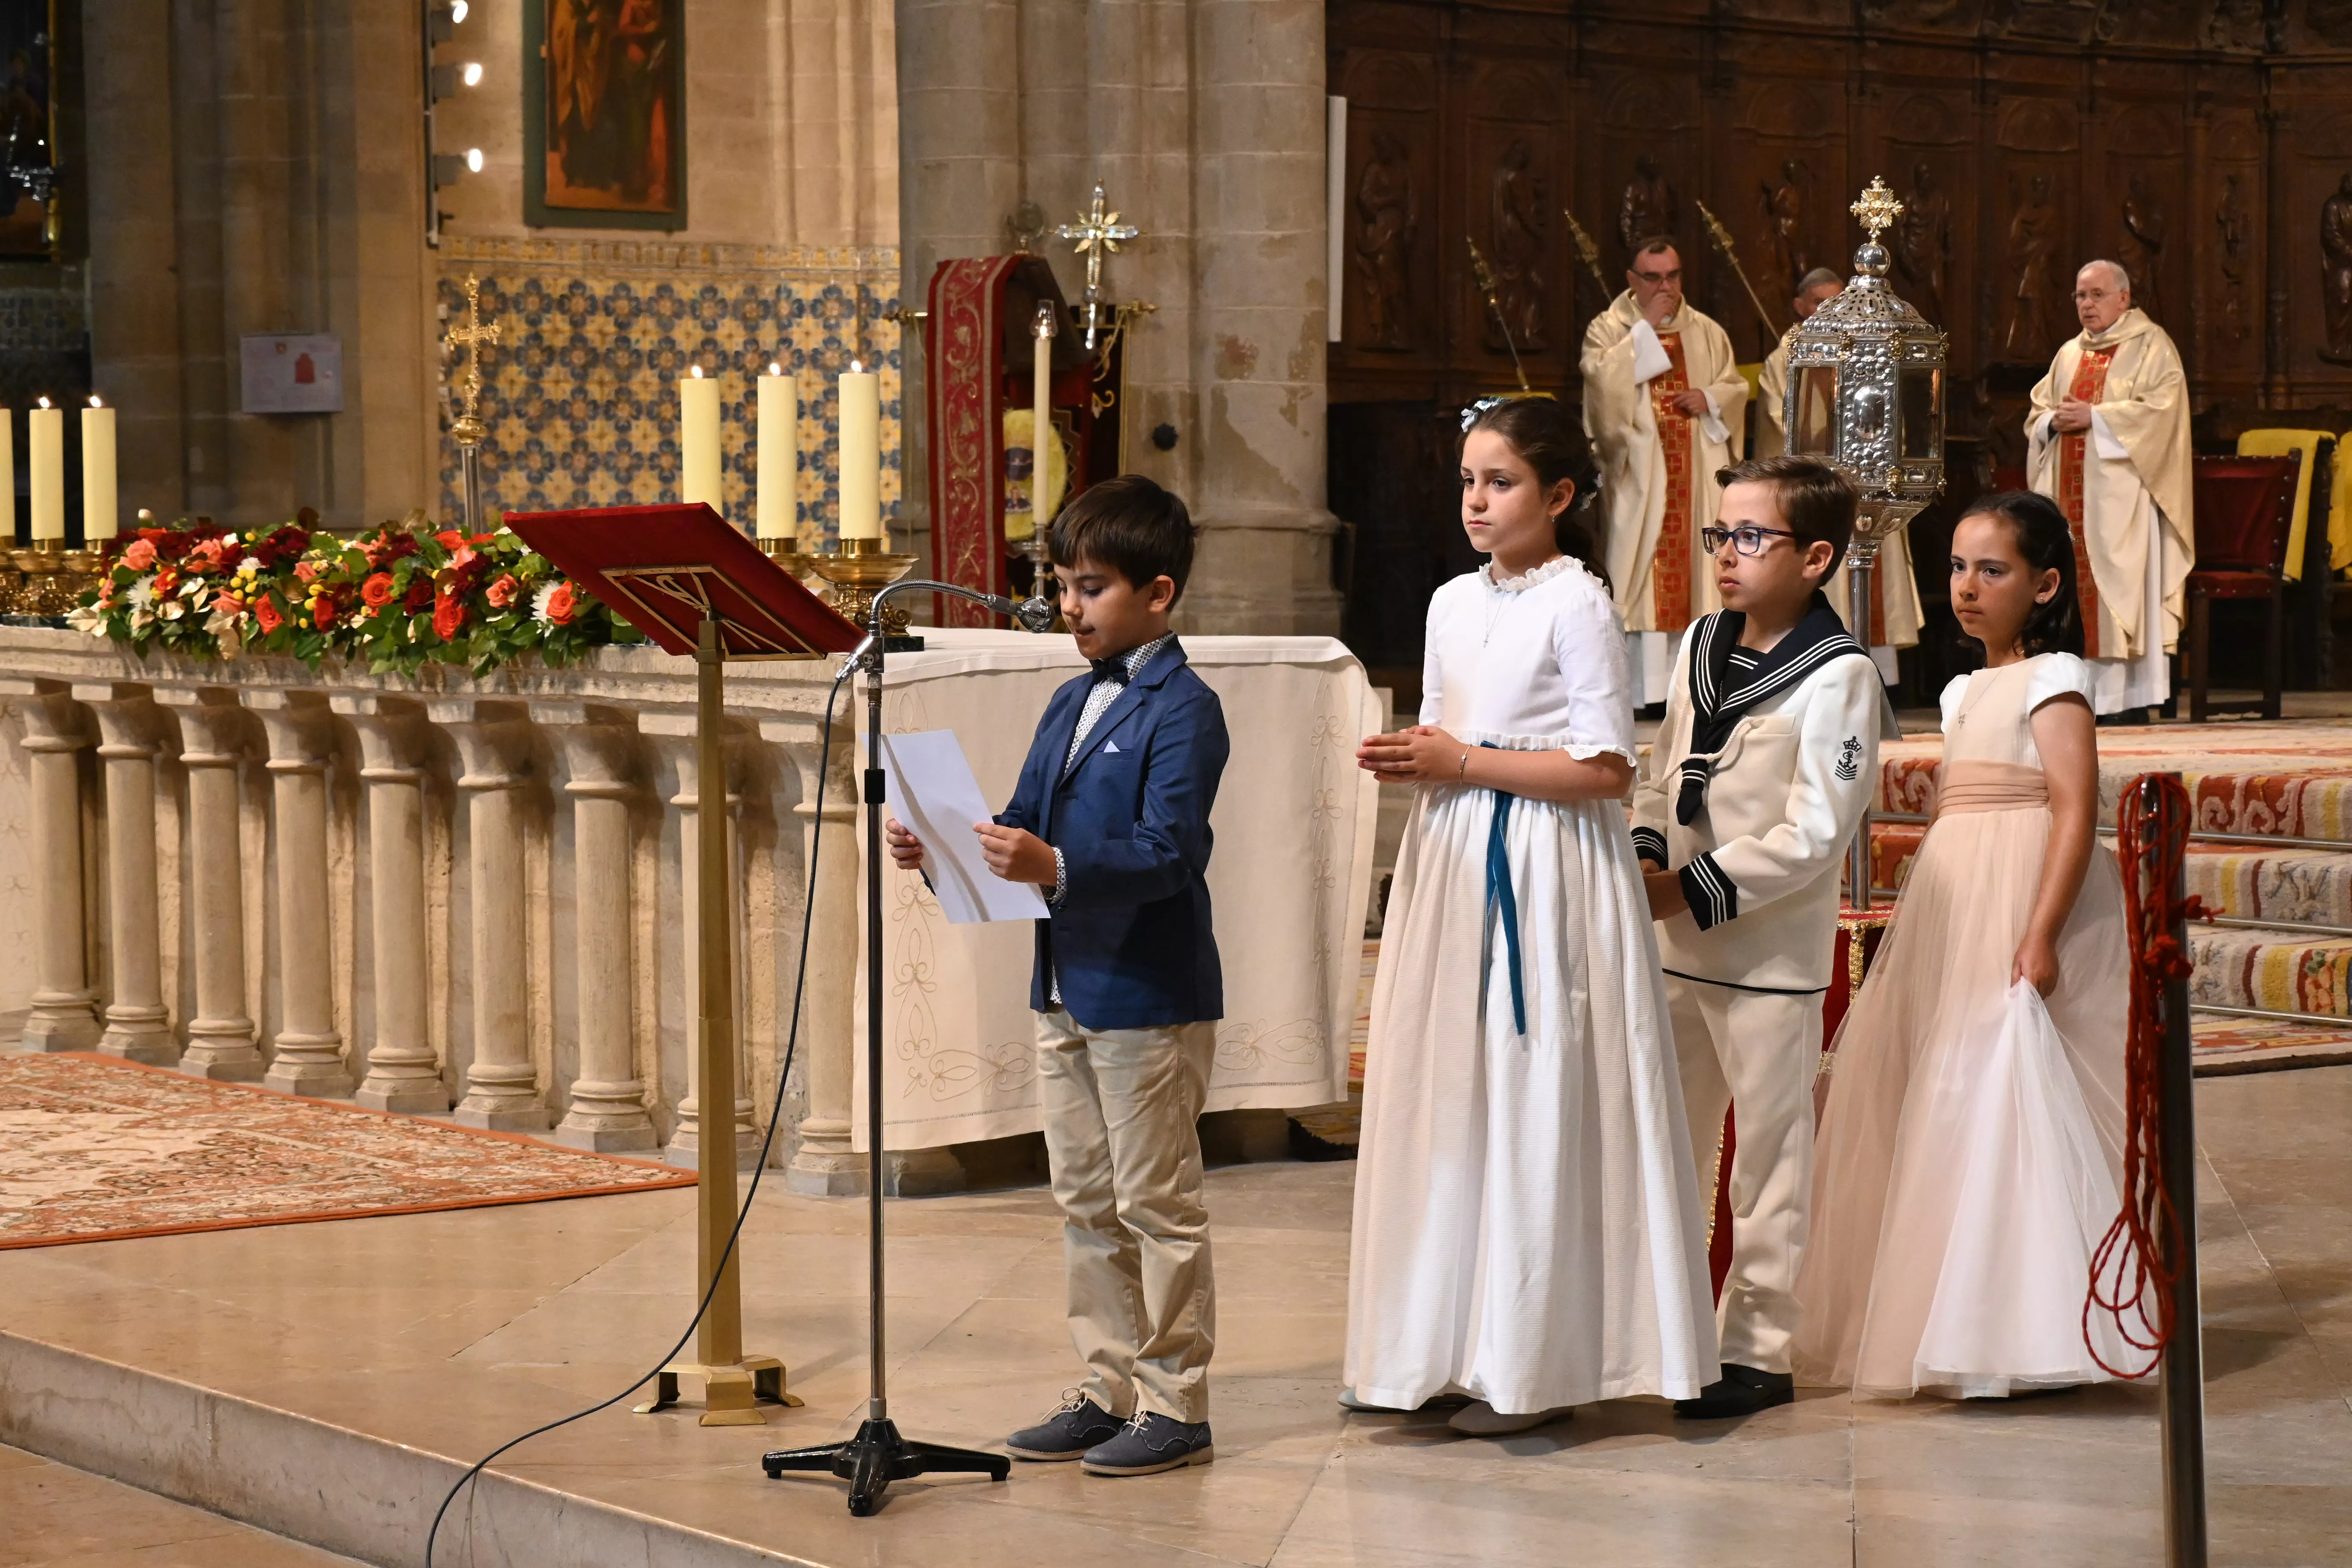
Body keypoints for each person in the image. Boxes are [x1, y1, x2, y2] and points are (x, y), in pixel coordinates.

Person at [1345, 394, 1718, 1437]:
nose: (1476, 500)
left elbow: (1605, 770)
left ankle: (1533, 1364)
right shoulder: (1449, 601)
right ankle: (1439, 1346)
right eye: (1467, 480)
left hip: (1546, 865)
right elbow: (1445, 730)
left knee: (1530, 1086)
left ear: (1557, 495)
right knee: (1451, 1091)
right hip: (1454, 858)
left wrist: (1461, 761)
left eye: (1499, 481)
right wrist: (1412, 760)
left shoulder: (1578, 603)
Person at [885, 475, 1230, 1476]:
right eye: (1063, 585)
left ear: (1158, 593)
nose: (1070, 607)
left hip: (1147, 990)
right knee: (1084, 1197)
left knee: (1155, 1202)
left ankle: (1176, 1403)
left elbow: (1170, 852)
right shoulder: (1071, 697)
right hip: (1064, 980)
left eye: (1092, 588)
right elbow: (1023, 819)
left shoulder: (1185, 708)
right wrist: (944, 844)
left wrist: (1057, 866)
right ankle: (1107, 1385)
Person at [1791, 490, 2142, 1399]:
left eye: (1993, 570)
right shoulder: (1957, 689)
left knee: (2006, 1089)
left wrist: (2039, 930)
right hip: (1955, 890)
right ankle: (1954, 1321)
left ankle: (2030, 1326)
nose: (1966, 586)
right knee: (1946, 1089)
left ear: (2044, 585)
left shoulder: (2053, 678)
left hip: (2020, 886)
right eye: (1956, 567)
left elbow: (2074, 809)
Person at [1631, 455, 1895, 1420]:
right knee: (1663, 1140)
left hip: (1765, 955)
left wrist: (1687, 887)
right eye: (1720, 534)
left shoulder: (1839, 675)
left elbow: (1816, 830)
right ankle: (1659, 1329)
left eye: (1751, 537)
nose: (1726, 554)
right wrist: (1644, 852)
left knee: (1768, 1160)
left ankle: (1756, 1348)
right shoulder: (1702, 641)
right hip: (1673, 944)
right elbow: (1663, 768)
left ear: (1816, 557)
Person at [1583, 237, 1749, 708]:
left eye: (1673, 276)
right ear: (1632, 280)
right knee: (1639, 572)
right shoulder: (1608, 329)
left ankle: (1698, 685)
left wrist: (1710, 398)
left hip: (1697, 472)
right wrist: (1646, 331)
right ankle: (1644, 691)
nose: (1666, 287)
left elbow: (1735, 387)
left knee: (1700, 570)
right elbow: (1602, 389)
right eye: (1653, 278)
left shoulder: (1708, 332)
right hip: (1640, 476)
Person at [2025, 259, 2193, 719]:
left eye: (2097, 295)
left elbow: (2164, 413)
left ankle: (2126, 701)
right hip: (2069, 501)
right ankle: (2073, 693)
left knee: (2119, 595)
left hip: (2122, 507)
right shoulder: (2068, 354)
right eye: (2081, 296)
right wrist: (2050, 423)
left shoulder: (2152, 346)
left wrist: (2096, 417)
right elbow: (2038, 412)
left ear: (2124, 298)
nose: (2087, 304)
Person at [1756, 267, 1924, 683]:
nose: (1831, 310)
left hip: (1869, 482)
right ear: (1800, 307)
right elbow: (1784, 425)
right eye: (1820, 302)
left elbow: (1893, 415)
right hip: (1819, 490)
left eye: (1837, 300)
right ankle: (1825, 667)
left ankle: (1878, 679)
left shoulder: (1872, 348)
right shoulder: (1786, 357)